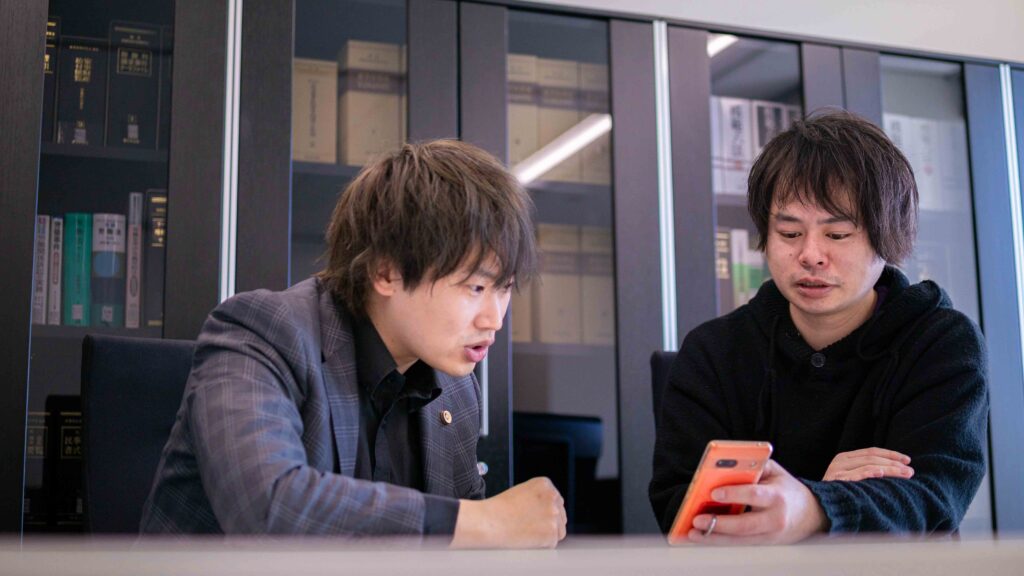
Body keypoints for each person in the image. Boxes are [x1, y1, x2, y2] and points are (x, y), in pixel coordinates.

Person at [141, 139, 567, 547]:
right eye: (475, 288)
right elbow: (269, 509)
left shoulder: (456, 389)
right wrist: (485, 522)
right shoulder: (261, 333)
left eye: (504, 288)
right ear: (386, 272)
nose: (494, 319)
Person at [650, 110, 989, 544]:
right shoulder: (713, 352)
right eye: (789, 234)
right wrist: (825, 495)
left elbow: (933, 498)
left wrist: (813, 506)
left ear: (887, 236)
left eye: (837, 234)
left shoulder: (940, 342)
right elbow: (680, 510)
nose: (810, 255)